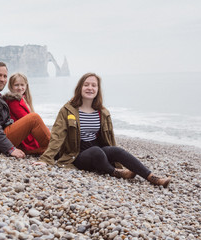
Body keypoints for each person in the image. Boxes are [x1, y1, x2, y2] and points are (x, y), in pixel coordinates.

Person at [37, 72, 171, 188]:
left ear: (98, 89)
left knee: (116, 150)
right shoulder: (67, 110)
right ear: (80, 88)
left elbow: (110, 138)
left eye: (93, 85)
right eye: (86, 85)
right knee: (96, 152)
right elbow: (57, 135)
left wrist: (115, 156)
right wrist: (46, 159)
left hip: (97, 148)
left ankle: (152, 177)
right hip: (76, 154)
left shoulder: (103, 112)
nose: (90, 88)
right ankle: (115, 172)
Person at [0, 61, 50, 158]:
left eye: (4, 76)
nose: (2, 79)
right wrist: (10, 149)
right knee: (34, 118)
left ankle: (51, 149)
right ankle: (55, 149)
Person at [3, 73, 42, 154]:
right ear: (11, 86)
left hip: (26, 136)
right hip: (24, 140)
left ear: (26, 86)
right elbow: (28, 121)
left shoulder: (24, 99)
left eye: (22, 85)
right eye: (16, 85)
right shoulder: (13, 101)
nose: (20, 88)